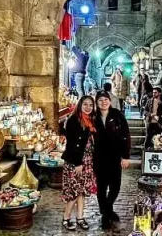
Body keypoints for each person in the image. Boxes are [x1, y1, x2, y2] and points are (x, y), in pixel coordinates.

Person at [93, 91, 131, 230]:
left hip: (114, 156)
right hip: (98, 157)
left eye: (106, 99)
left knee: (115, 186)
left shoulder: (117, 115)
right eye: (100, 100)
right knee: (101, 188)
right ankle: (106, 215)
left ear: (109, 100)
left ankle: (106, 210)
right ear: (96, 102)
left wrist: (125, 156)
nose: (103, 102)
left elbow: (125, 135)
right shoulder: (93, 117)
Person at [61, 96, 97, 231]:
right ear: (80, 105)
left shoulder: (89, 121)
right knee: (74, 192)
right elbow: (73, 144)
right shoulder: (73, 121)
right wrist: (78, 163)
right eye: (85, 104)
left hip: (87, 161)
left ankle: (80, 217)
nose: (88, 107)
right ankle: (66, 217)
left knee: (81, 191)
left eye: (90, 105)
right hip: (76, 162)